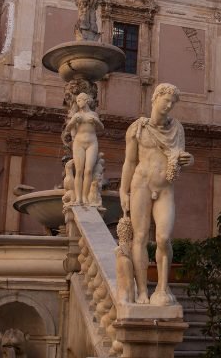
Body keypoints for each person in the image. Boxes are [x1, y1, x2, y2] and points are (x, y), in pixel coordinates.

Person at [120, 83, 193, 306]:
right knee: (140, 238)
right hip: (141, 184)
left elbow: (180, 159)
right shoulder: (137, 129)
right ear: (155, 99)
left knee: (163, 238)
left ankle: (163, 287)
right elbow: (130, 162)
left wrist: (190, 160)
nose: (169, 106)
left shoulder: (177, 129)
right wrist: (123, 190)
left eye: (173, 103)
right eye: (166, 101)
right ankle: (142, 291)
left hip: (164, 188)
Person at [65, 92, 103, 206]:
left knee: (89, 171)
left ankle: (86, 197)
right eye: (77, 101)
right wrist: (73, 121)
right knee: (79, 170)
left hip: (92, 142)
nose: (78, 102)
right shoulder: (76, 115)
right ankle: (78, 198)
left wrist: (96, 121)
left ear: (86, 101)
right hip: (79, 142)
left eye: (80, 100)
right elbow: (68, 128)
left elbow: (101, 128)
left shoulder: (94, 114)